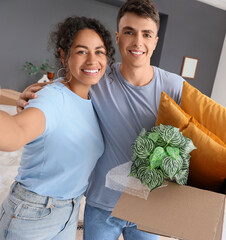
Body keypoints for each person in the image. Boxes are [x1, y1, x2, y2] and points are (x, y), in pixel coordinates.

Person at [17, 0, 185, 239]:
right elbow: (62, 91)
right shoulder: (97, 76)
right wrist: (32, 95)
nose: (138, 42)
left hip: (148, 206)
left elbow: (208, 133)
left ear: (155, 41)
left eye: (147, 34)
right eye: (129, 32)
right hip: (101, 205)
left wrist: (220, 178)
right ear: (117, 37)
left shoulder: (175, 86)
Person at [0, 16, 115, 240]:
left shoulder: (97, 99)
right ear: (64, 55)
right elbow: (16, 132)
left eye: (99, 52)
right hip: (32, 212)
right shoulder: (52, 97)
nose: (93, 60)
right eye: (82, 51)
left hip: (68, 210)